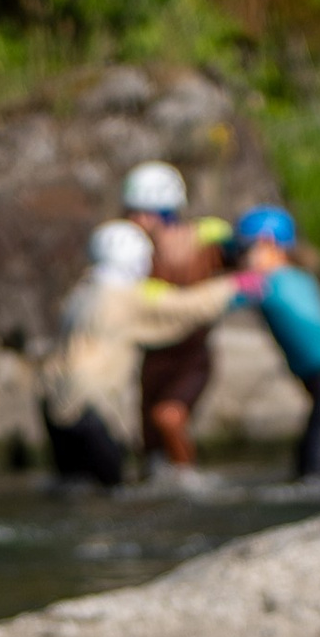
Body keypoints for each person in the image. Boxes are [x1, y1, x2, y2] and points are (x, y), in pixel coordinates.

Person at [40, 224, 238, 491]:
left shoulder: (83, 290)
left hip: (55, 406)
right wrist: (236, 285)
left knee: (76, 490)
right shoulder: (126, 295)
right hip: (91, 409)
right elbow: (188, 306)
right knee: (111, 494)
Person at [231, 207, 320, 481]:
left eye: (247, 250)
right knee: (307, 460)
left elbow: (223, 296)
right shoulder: (297, 276)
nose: (241, 258)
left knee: (318, 467)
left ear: (271, 246)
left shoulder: (271, 283)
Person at [122, 157, 228, 471]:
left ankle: (188, 481)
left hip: (190, 354)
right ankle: (163, 488)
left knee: (169, 416)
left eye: (145, 212)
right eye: (133, 211)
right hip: (154, 356)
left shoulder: (203, 241)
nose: (136, 219)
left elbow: (239, 259)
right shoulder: (132, 250)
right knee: (151, 443)